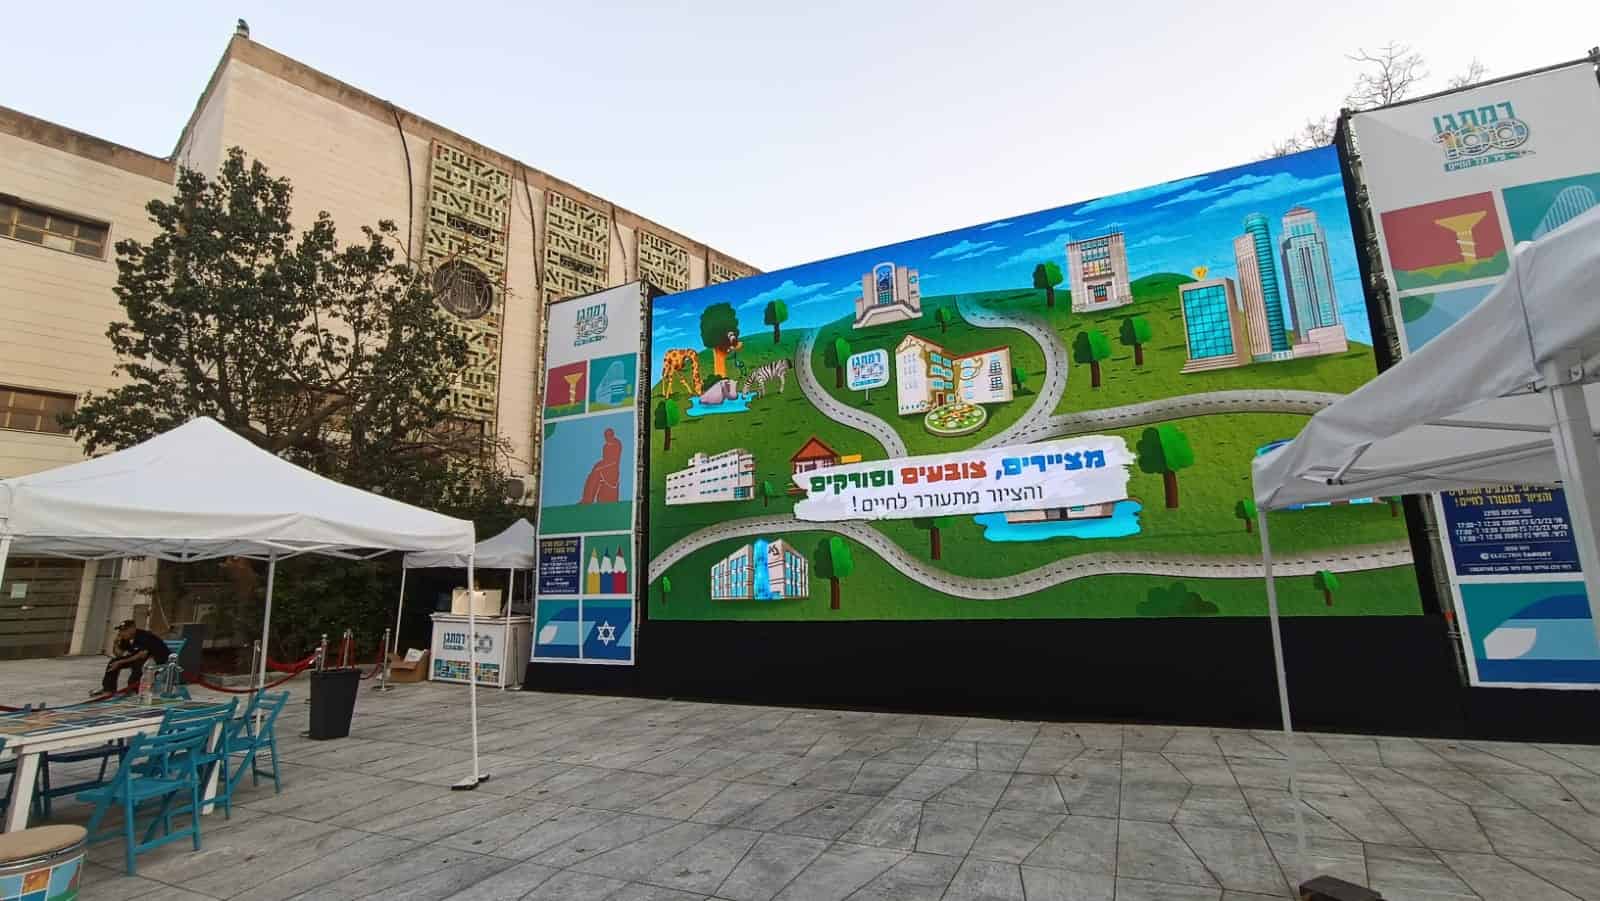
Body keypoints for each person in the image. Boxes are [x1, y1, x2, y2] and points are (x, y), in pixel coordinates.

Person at [98, 619, 171, 695]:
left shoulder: (144, 636)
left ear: (133, 628)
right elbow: (119, 654)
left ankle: (133, 690)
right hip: (141, 658)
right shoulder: (126, 638)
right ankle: (108, 689)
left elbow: (141, 655)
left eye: (124, 630)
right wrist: (115, 644)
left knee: (139, 664)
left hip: (158, 660)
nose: (121, 633)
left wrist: (120, 662)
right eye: (120, 630)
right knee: (113, 662)